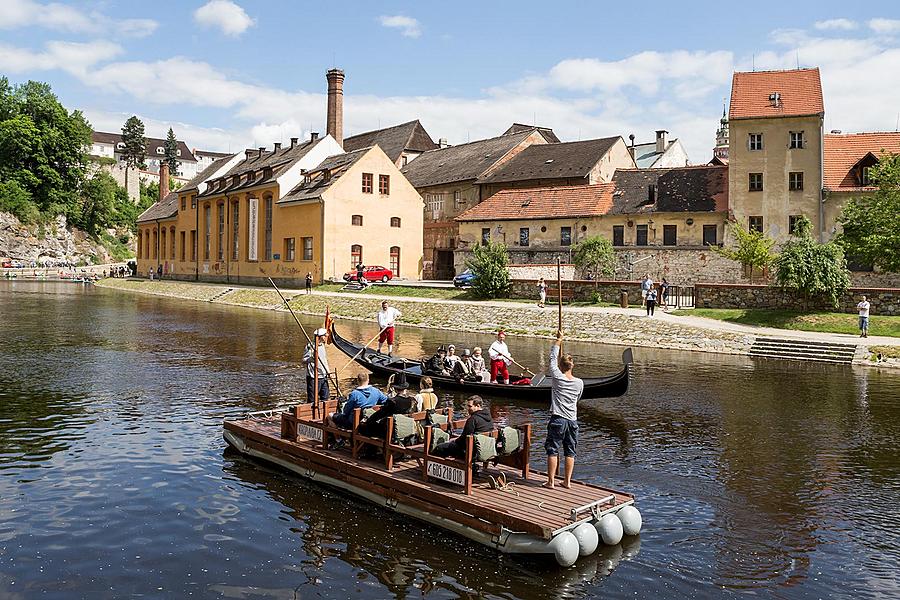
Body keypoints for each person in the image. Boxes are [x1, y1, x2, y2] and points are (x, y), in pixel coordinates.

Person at [545, 331, 583, 489]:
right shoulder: (580, 383)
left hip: (558, 418)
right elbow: (578, 398)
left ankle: (551, 482)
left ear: (561, 367)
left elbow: (552, 358)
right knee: (570, 450)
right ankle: (567, 482)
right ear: (572, 365)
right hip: (572, 420)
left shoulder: (557, 377)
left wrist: (558, 340)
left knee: (553, 449)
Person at [358, 373, 415, 439]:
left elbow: (379, 414)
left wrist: (368, 421)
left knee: (363, 427)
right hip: (404, 429)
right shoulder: (410, 400)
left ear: (395, 389)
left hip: (389, 431)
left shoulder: (393, 401)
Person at [303, 328, 330, 403]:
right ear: (320, 336)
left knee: (325, 398)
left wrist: (328, 372)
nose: (326, 337)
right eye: (325, 335)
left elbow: (324, 360)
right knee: (312, 399)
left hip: (323, 376)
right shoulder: (310, 347)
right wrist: (312, 359)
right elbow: (304, 360)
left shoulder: (322, 346)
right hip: (313, 377)